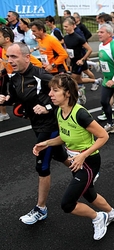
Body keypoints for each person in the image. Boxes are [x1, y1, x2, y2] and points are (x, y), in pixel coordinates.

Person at [33, 74, 114, 240]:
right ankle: (112, 213)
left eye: (55, 90)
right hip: (76, 162)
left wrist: (83, 155)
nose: (50, 93)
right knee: (89, 194)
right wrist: (46, 143)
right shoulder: (60, 112)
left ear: (67, 93)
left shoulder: (80, 114)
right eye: (50, 90)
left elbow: (103, 136)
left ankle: (98, 217)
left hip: (88, 163)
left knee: (67, 204)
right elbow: (65, 136)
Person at [0, 42, 68, 224]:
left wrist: (47, 107)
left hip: (50, 125)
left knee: (42, 167)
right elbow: (15, 99)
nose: (10, 60)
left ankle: (41, 208)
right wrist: (5, 99)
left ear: (26, 57)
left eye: (14, 57)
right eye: (8, 56)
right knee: (59, 154)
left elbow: (66, 92)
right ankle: (85, 171)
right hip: (36, 124)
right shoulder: (14, 78)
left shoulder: (41, 76)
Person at [63, 18, 102, 92]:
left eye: (66, 26)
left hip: (79, 62)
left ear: (72, 26)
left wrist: (82, 60)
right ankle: (96, 81)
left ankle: (79, 94)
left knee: (73, 80)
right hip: (73, 62)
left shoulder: (78, 38)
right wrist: (69, 64)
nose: (65, 28)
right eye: (64, 26)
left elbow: (90, 50)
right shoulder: (65, 38)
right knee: (79, 80)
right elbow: (68, 51)